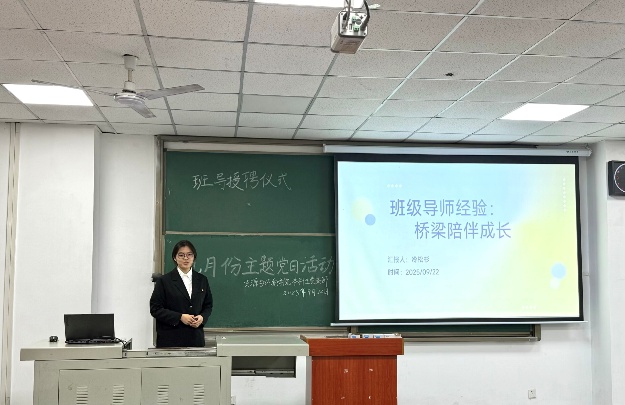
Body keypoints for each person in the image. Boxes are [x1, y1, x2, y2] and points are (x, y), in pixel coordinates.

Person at [150, 240, 213, 347]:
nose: (186, 258)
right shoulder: (164, 281)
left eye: (189, 255)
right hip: (171, 340)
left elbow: (208, 305)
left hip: (195, 339)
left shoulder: (202, 280)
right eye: (181, 255)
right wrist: (179, 317)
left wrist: (202, 317)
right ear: (175, 258)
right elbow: (155, 309)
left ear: (194, 257)